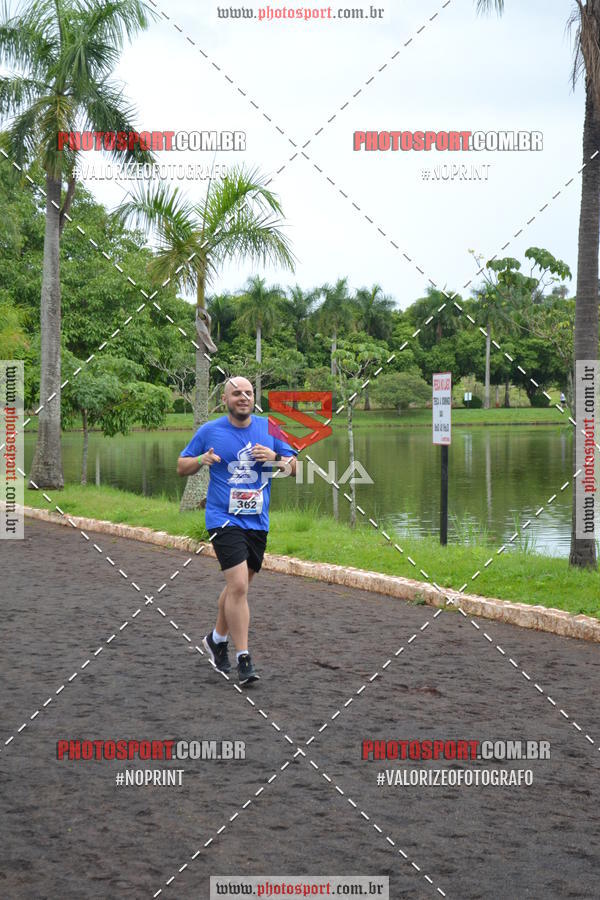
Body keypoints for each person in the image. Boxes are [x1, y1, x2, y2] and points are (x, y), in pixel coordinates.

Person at [177, 376, 297, 685]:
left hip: (257, 521)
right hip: (222, 519)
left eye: (248, 393)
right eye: (236, 393)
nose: (243, 397)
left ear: (254, 398)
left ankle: (216, 639)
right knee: (240, 586)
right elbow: (181, 465)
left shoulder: (269, 427)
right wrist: (202, 459)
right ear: (225, 400)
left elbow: (295, 466)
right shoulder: (210, 431)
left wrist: (276, 458)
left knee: (237, 588)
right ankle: (244, 658)